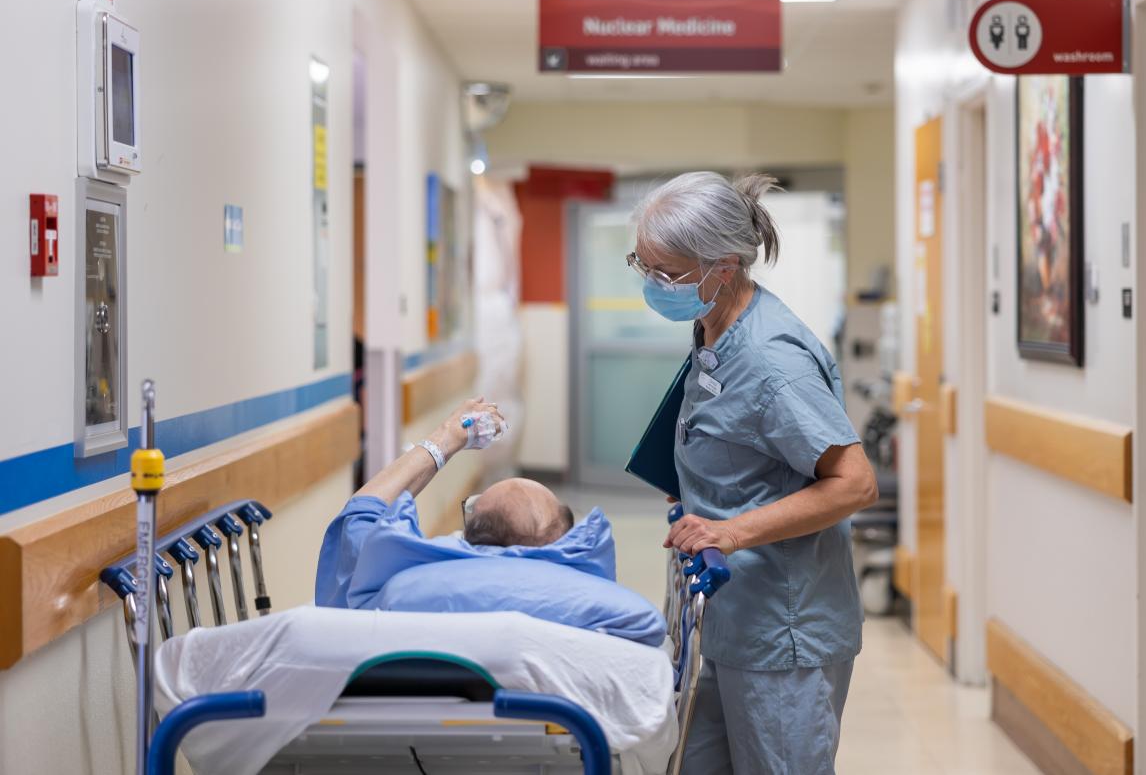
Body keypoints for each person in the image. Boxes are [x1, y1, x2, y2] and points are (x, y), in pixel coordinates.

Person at [629, 171, 878, 774]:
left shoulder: (771, 360)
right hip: (729, 615)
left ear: (725, 265)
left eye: (668, 274)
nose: (654, 284)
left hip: (783, 631)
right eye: (643, 265)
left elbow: (854, 482)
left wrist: (730, 531)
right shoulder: (714, 325)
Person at [314, 397, 666, 645]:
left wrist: (446, 438)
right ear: (565, 541)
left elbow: (362, 510)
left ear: (468, 537)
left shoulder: (395, 591)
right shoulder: (607, 610)